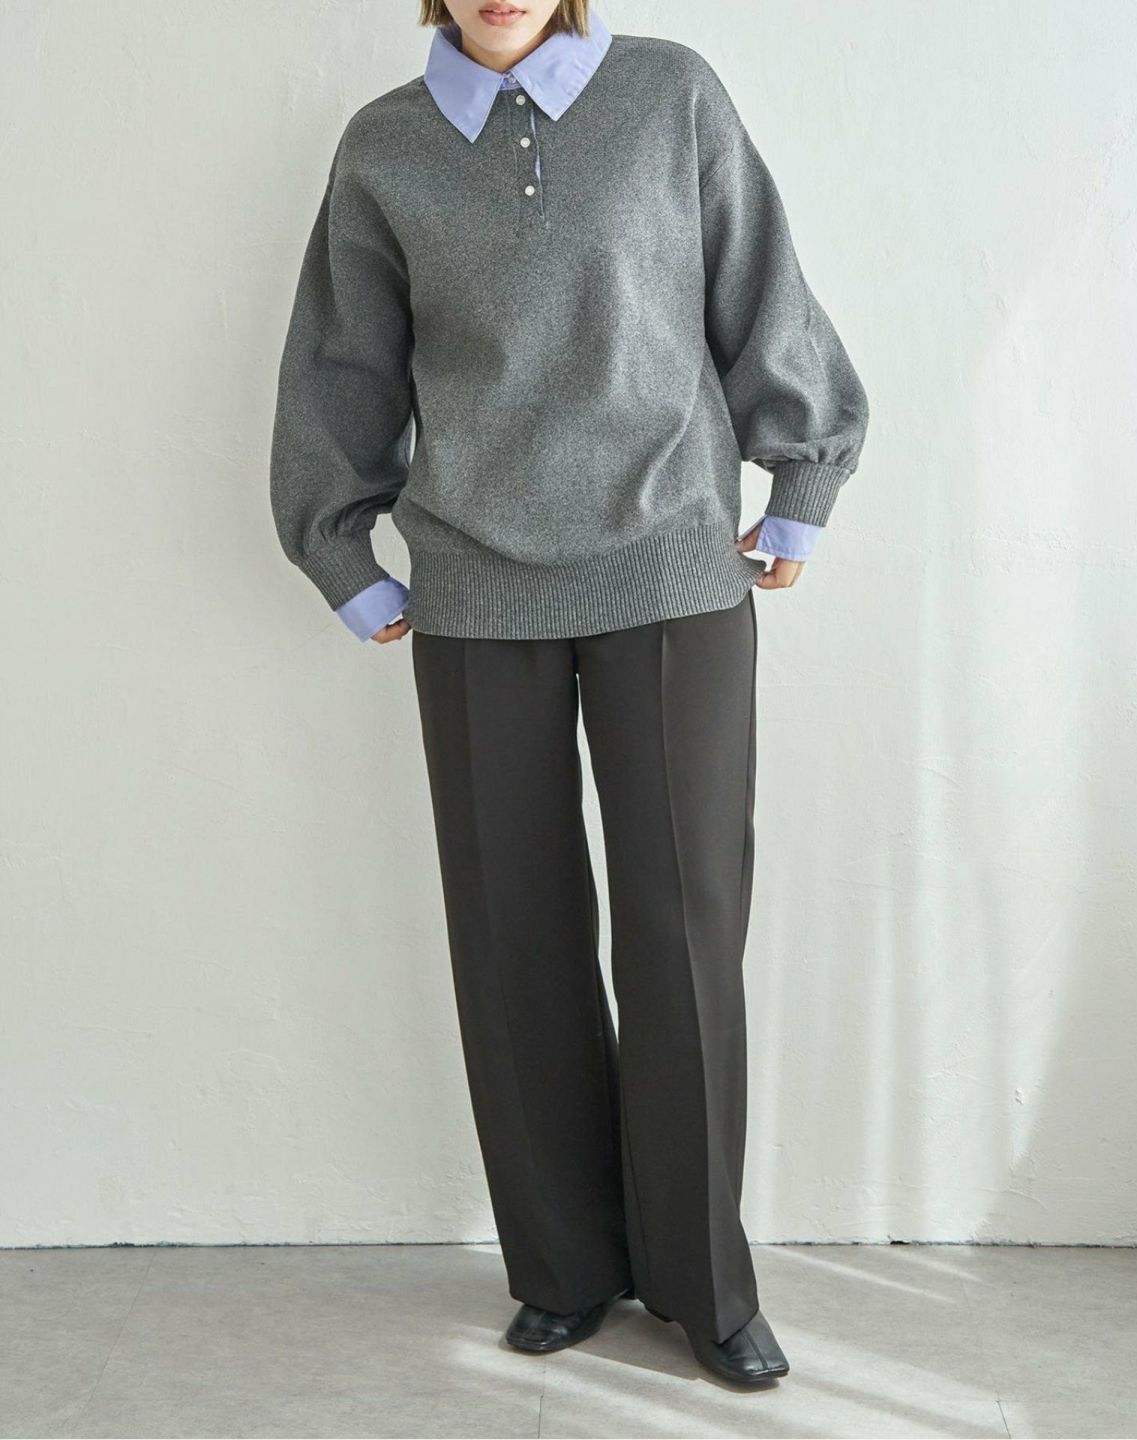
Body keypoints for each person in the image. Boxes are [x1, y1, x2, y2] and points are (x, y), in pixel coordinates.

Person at [269, 0, 868, 1388]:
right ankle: (563, 1268)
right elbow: (341, 362)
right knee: (514, 933)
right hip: (476, 589)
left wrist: (802, 478)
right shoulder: (386, 146)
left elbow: (757, 286)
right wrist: (339, 553)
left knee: (684, 934)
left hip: (672, 571)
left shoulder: (670, 96)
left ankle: (705, 1287)